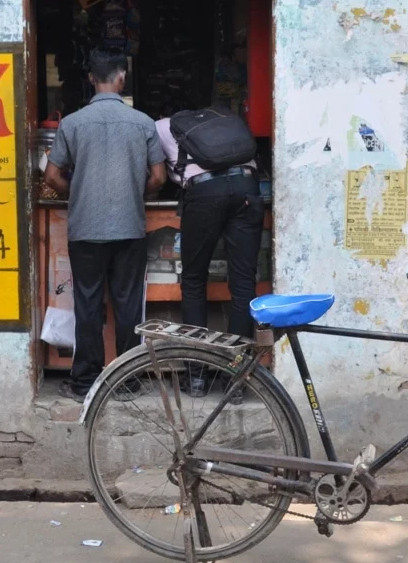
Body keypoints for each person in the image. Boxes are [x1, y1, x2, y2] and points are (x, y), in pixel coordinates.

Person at [44, 49, 166, 402]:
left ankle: (85, 383)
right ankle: (128, 381)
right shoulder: (142, 122)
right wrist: (132, 191)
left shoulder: (72, 123)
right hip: (129, 228)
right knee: (128, 305)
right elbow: (158, 176)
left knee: (88, 303)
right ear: (121, 77)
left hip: (85, 230)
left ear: (90, 79)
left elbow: (52, 175)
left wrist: (79, 192)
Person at [155, 113, 264, 396]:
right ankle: (236, 379)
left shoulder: (162, 127)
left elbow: (154, 174)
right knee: (243, 286)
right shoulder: (227, 123)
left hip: (204, 192)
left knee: (193, 281)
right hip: (248, 189)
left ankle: (196, 378)